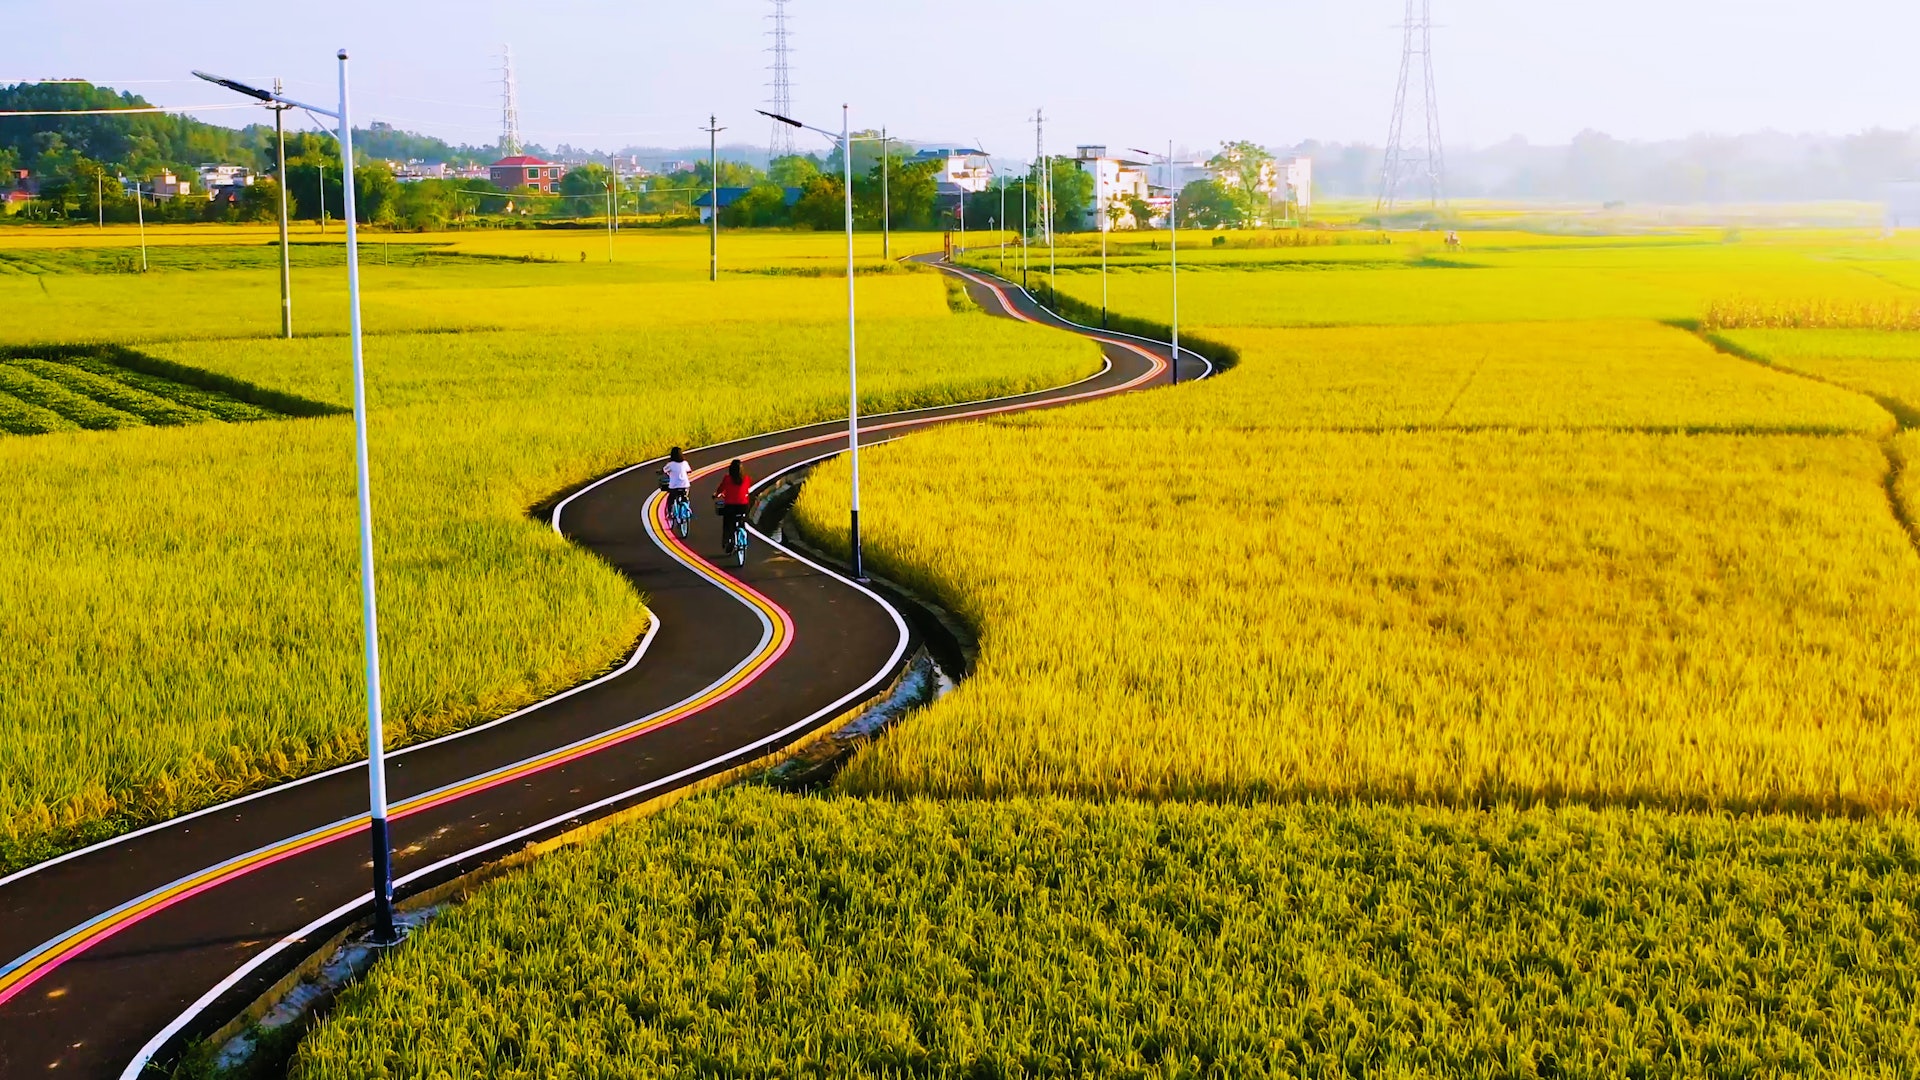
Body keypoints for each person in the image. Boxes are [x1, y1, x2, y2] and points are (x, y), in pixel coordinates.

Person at [715, 459, 752, 554]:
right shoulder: (746, 478)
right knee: (742, 519)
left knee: (727, 522)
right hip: (744, 506)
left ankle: (728, 540)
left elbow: (721, 489)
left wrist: (716, 494)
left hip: (730, 506)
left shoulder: (727, 478)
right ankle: (742, 529)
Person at [661, 447, 691, 522]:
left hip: (674, 486)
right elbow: (689, 470)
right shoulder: (685, 463)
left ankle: (670, 513)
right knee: (685, 497)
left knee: (671, 499)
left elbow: (663, 470)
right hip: (685, 485)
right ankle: (686, 507)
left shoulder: (670, 464)